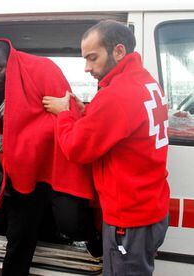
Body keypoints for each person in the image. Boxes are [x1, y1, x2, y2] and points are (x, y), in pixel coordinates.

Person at [42, 20, 170, 275]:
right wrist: (85, 110)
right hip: (151, 207)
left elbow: (76, 149)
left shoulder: (116, 94)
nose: (87, 68)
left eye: (92, 58)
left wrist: (64, 114)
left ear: (119, 51)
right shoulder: (144, 81)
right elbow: (122, 122)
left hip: (129, 219)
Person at [0, 38, 101, 276]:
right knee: (18, 237)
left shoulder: (42, 69)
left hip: (55, 165)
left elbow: (69, 115)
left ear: (12, 61)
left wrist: (15, 140)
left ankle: (97, 245)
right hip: (23, 171)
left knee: (71, 223)